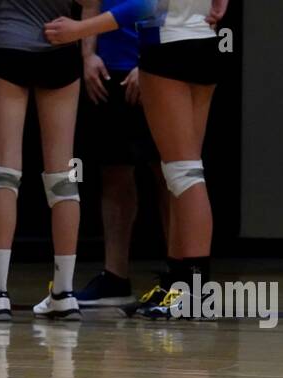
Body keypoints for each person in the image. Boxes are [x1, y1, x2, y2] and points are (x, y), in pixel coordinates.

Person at [46, 0, 230, 319]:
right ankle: (179, 282)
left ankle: (194, 290)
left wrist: (78, 29)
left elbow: (144, 5)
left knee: (183, 174)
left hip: (168, 45)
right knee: (183, 173)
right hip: (203, 41)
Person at [0, 0, 95, 322]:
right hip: (62, 48)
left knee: (4, 172)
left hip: (9, 45)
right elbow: (90, 4)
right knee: (64, 176)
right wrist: (87, 51)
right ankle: (64, 293)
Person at [74, 0, 167, 308]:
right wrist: (88, 55)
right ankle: (115, 277)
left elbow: (165, 9)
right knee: (113, 170)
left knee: (169, 174)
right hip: (107, 67)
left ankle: (179, 275)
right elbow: (90, 4)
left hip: (157, 68)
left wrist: (150, 62)